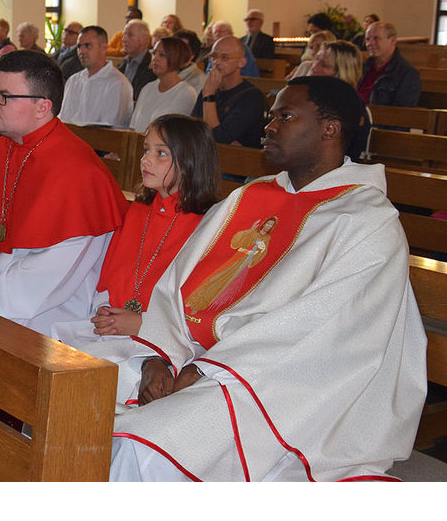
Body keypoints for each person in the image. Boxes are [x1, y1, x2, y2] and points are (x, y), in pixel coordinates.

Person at [65, 76, 427, 481]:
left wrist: (207, 368)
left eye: (285, 116)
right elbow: (176, 288)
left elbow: (321, 334)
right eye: (271, 116)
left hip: (277, 385)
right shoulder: (251, 197)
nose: (269, 126)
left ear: (330, 128)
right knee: (70, 398)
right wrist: (157, 358)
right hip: (195, 360)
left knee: (142, 447)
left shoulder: (366, 223)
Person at [0, 50, 128, 336]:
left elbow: (55, 272)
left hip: (44, 308)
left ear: (42, 107)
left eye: (3, 96)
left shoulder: (79, 172)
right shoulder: (1, 149)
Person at [54, 114, 218, 340]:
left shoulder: (208, 227)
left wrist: (142, 324)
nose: (145, 160)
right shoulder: (139, 211)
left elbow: (197, 309)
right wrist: (105, 309)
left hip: (161, 337)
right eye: (145, 150)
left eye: (161, 153)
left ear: (191, 162)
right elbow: (112, 273)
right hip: (113, 324)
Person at [192, 35, 265, 147]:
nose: (216, 62)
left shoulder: (252, 97)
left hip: (240, 160)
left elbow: (218, 140)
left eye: (224, 57)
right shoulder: (208, 89)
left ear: (241, 62)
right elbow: (192, 129)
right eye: (213, 57)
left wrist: (209, 96)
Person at [58, 25, 134, 128]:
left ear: (104, 48)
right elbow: (63, 119)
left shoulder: (118, 83)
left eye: (88, 45)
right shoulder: (74, 80)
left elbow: (111, 129)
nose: (82, 51)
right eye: (79, 46)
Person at [308, 40, 371, 161]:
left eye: (324, 65)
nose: (314, 68)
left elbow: (345, 157)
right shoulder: (308, 99)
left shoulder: (352, 110)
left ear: (343, 73)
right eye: (316, 60)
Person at [128, 37, 199, 132]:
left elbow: (172, 132)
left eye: (162, 55)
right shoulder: (148, 88)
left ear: (176, 58)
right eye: (154, 53)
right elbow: (133, 126)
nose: (155, 58)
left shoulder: (186, 93)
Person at [356, 21, 421, 106]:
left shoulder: (407, 73)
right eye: (368, 39)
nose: (370, 44)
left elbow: (401, 113)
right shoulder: (363, 67)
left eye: (376, 38)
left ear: (393, 40)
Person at [117, 19, 156, 101]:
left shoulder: (152, 66)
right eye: (124, 35)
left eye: (130, 35)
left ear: (144, 39)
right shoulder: (122, 64)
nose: (124, 39)